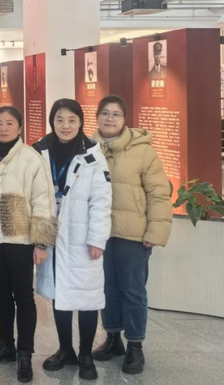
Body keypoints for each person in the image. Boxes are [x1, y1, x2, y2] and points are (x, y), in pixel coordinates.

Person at [91, 95, 172, 375]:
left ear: (125, 120)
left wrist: (155, 232)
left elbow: (159, 193)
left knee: (132, 290)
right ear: (97, 117)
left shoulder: (143, 151)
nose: (109, 119)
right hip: (101, 233)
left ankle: (135, 345)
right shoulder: (89, 149)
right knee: (106, 287)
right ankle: (113, 337)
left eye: (116, 114)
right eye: (105, 113)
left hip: (133, 235)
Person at [33, 99, 112, 381]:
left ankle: (86, 353)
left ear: (80, 122)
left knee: (88, 296)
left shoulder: (92, 154)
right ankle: (65, 349)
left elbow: (101, 201)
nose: (65, 126)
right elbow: (34, 197)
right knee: (59, 293)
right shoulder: (39, 151)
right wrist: (40, 240)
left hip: (82, 236)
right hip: (52, 234)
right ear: (52, 122)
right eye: (59, 120)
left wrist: (97, 239)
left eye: (72, 120)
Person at [0, 106, 57, 384]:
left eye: (9, 123)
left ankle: (25, 354)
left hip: (20, 238)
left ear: (20, 128)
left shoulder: (30, 158)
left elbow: (43, 200)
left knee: (23, 297)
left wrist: (41, 243)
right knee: (1, 295)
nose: (3, 128)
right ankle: (6, 346)